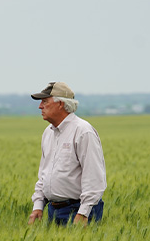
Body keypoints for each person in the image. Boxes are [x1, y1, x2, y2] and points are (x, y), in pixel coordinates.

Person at [27, 81, 106, 226]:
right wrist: (38, 206)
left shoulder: (83, 131)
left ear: (60, 104)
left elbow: (94, 176)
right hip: (53, 209)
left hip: (78, 209)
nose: (40, 106)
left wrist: (83, 212)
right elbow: (44, 174)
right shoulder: (48, 133)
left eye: (45, 101)